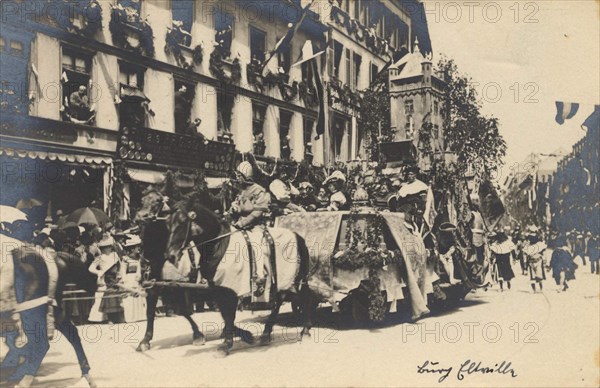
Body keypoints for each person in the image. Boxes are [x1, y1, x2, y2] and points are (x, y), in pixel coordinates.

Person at [87, 235, 124, 324]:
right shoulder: (99, 258)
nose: (108, 249)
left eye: (109, 247)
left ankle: (115, 317)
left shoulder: (115, 255)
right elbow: (91, 268)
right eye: (105, 247)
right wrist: (99, 272)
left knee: (115, 297)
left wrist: (119, 274)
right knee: (101, 297)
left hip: (114, 278)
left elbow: (120, 266)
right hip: (104, 279)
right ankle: (99, 318)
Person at [522, 225, 547, 293]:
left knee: (533, 276)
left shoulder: (529, 243)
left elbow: (525, 254)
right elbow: (543, 252)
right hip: (536, 260)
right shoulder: (538, 242)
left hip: (533, 260)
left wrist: (525, 265)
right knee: (538, 275)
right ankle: (539, 288)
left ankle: (536, 289)